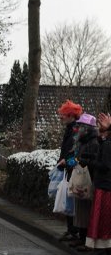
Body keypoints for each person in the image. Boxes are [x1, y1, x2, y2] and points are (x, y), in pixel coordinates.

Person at [69, 113, 99, 251]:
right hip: (82, 180)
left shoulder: (93, 142)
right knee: (80, 210)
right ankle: (81, 237)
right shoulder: (83, 141)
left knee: (86, 211)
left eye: (80, 126)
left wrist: (80, 161)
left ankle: (85, 239)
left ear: (86, 129)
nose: (77, 128)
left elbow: (93, 161)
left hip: (88, 181)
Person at [84, 113, 111, 255]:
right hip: (104, 184)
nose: (99, 134)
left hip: (105, 185)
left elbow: (105, 165)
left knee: (101, 218)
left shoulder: (107, 144)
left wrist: (88, 162)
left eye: (101, 131)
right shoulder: (105, 143)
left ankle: (101, 246)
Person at [56, 100, 83, 241]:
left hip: (73, 169)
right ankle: (71, 230)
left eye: (63, 114)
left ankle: (74, 231)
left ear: (71, 115)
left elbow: (77, 152)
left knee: (72, 200)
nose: (61, 117)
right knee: (68, 198)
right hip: (68, 168)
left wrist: (67, 161)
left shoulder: (76, 130)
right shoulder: (70, 129)